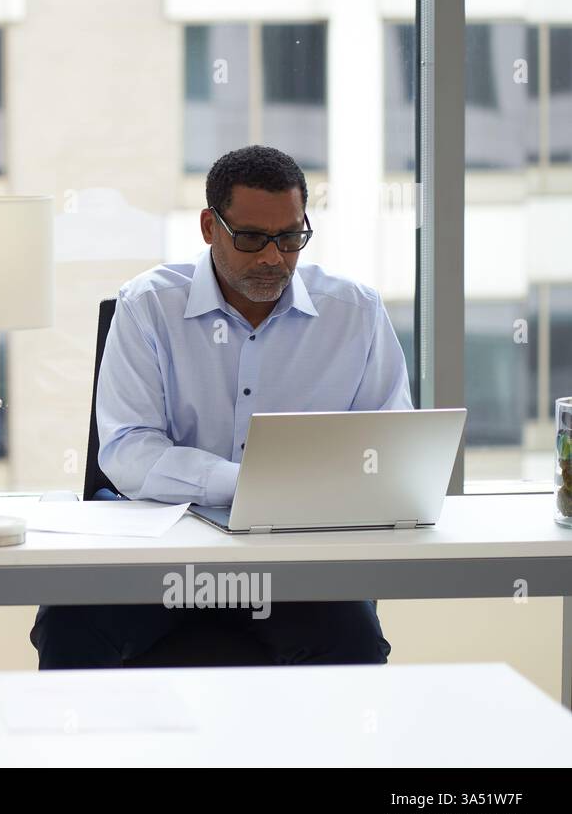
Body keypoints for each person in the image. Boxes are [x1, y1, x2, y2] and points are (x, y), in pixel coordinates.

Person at [31, 145, 409, 669]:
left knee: (352, 641)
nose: (274, 257)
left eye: (291, 237)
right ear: (210, 226)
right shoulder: (147, 306)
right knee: (69, 625)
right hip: (157, 551)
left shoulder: (354, 313)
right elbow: (127, 450)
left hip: (293, 558)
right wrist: (246, 483)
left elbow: (388, 446)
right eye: (253, 238)